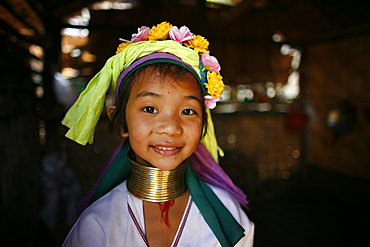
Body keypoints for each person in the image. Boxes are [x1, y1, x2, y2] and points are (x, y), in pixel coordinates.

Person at [61, 22, 254, 247]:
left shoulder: (230, 216)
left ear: (203, 125)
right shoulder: (96, 226)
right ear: (121, 121)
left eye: (188, 111)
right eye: (150, 109)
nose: (171, 127)